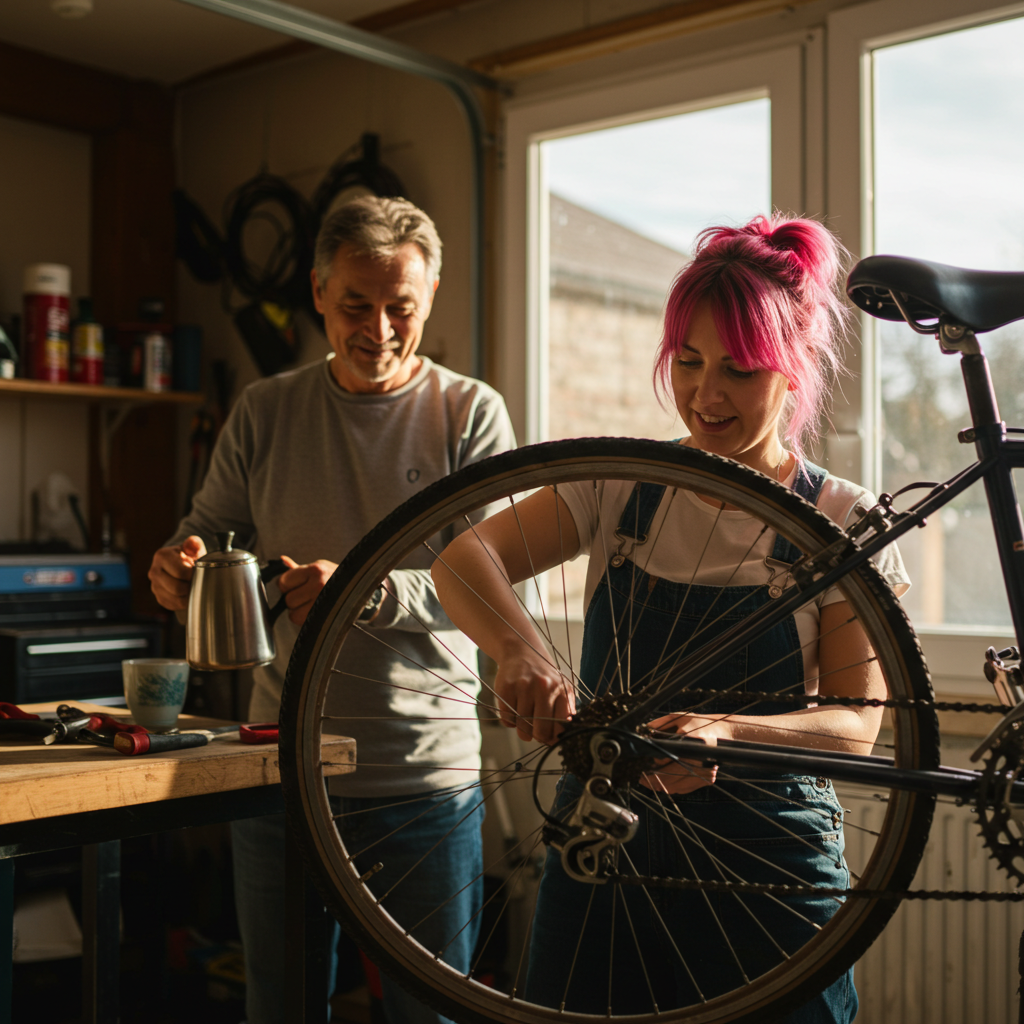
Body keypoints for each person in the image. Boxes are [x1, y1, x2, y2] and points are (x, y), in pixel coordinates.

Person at [432, 215, 909, 1022]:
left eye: (740, 370)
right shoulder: (620, 485)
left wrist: (729, 730)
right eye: (688, 362)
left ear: (792, 375)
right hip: (604, 845)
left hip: (769, 861)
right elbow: (460, 562)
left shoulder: (839, 522)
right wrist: (519, 650)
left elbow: (857, 727)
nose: (705, 394)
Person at [148, 195, 516, 1024]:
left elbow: (498, 588)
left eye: (402, 308)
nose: (379, 328)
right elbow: (203, 533)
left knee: (430, 1013)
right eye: (356, 304)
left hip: (425, 779)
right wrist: (178, 566)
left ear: (429, 302)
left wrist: (368, 588)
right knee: (279, 1006)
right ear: (316, 290)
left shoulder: (471, 414)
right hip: (281, 770)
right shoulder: (264, 409)